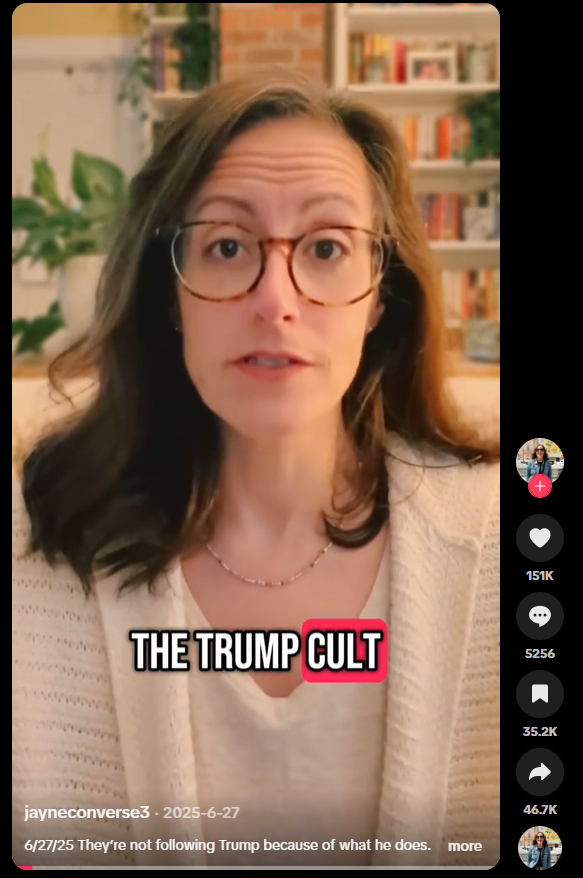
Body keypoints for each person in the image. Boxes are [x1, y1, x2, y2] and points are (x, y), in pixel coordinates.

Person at [12, 68, 500, 868]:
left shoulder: (499, 542)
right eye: (228, 245)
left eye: (327, 248)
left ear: (381, 294)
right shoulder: (37, 547)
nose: (275, 298)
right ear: (170, 292)